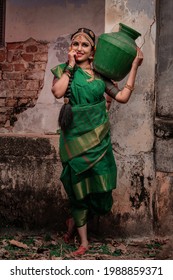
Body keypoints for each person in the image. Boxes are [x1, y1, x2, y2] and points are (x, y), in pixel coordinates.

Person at [51, 27, 143, 256]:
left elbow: (121, 97)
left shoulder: (100, 75)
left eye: (84, 45)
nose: (79, 48)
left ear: (93, 51)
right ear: (70, 48)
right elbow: (57, 92)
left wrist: (134, 68)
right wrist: (71, 66)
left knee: (101, 189)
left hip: (98, 139)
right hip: (74, 138)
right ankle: (84, 242)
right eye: (75, 44)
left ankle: (73, 221)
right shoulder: (63, 70)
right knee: (78, 187)